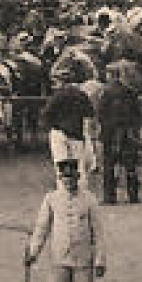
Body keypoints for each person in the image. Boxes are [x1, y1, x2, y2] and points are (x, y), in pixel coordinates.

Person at [24, 159, 107, 282]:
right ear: (60, 178)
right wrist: (33, 252)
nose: (69, 181)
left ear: (78, 177)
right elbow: (42, 228)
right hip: (59, 257)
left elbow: (99, 232)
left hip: (83, 258)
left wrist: (100, 260)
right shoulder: (51, 199)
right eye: (65, 178)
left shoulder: (89, 200)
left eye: (72, 177)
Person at [42, 66, 97, 195]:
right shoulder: (81, 95)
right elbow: (90, 113)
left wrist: (51, 126)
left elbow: (46, 114)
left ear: (61, 81)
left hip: (59, 132)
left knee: (61, 162)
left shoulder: (57, 95)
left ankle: (64, 192)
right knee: (79, 164)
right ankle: (81, 191)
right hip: (76, 133)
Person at [96, 64, 142, 204]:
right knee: (130, 166)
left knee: (109, 166)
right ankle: (133, 196)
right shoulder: (130, 92)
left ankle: (110, 197)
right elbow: (137, 114)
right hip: (128, 134)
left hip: (110, 134)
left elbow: (100, 114)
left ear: (110, 75)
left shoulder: (106, 92)